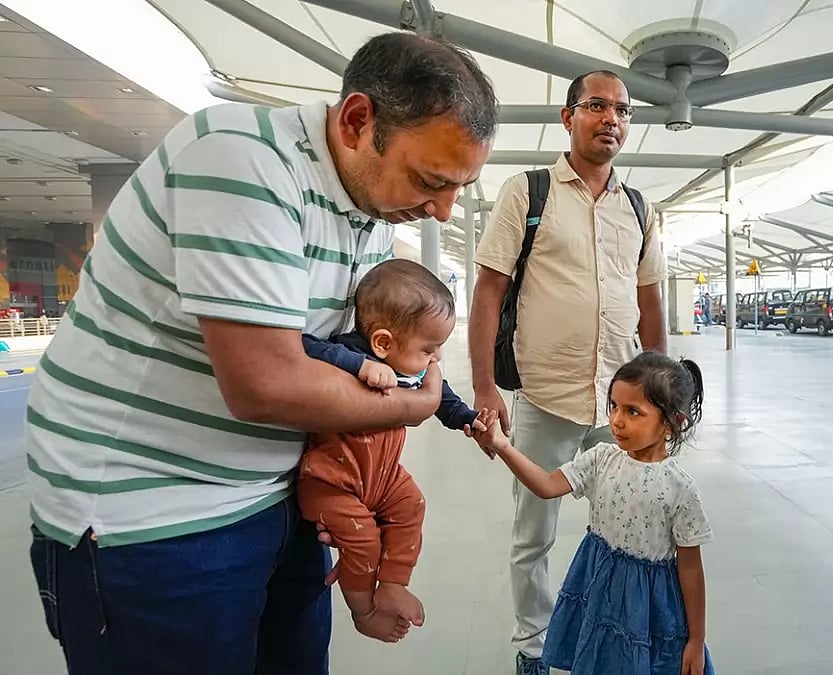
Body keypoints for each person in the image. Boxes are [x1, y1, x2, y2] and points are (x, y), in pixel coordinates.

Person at [23, 32, 496, 674]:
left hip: (270, 499)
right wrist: (414, 407)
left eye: (456, 189)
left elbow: (332, 357)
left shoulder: (370, 210)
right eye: (430, 180)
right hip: (151, 519)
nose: (439, 211)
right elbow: (266, 383)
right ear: (358, 121)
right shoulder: (241, 158)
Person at [468, 69, 668, 675]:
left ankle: (624, 634)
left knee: (638, 527)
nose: (612, 118)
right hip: (545, 398)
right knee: (535, 533)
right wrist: (483, 387)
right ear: (568, 117)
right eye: (597, 105)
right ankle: (533, 643)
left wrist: (663, 395)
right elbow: (487, 293)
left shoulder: (639, 207)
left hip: (623, 403)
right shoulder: (526, 193)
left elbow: (651, 301)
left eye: (623, 111)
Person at [471, 352, 715, 675]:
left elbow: (691, 572)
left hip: (649, 610)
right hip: (599, 589)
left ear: (672, 422)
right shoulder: (601, 459)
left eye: (633, 411)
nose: (616, 420)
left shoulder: (680, 489)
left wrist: (696, 640)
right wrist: (502, 445)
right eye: (613, 406)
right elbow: (545, 484)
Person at [297, 259, 485, 643]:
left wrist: (465, 417)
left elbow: (441, 395)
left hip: (382, 476)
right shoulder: (351, 351)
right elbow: (306, 348)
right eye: (430, 349)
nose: (435, 360)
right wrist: (359, 365)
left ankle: (394, 583)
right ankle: (363, 611)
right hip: (332, 482)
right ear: (383, 342)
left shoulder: (409, 363)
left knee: (411, 504)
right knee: (363, 539)